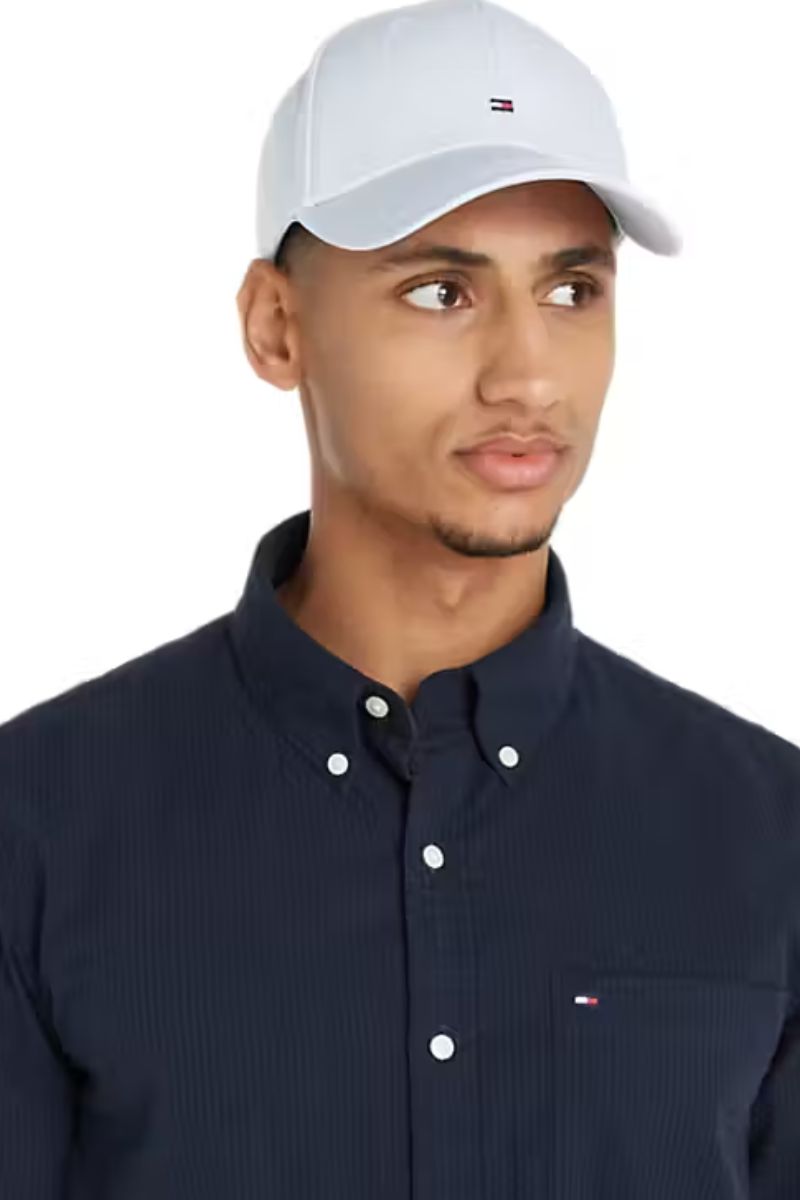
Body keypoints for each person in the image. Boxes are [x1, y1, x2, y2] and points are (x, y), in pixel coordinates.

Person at [2, 1, 799, 1197]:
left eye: (570, 290)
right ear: (277, 327)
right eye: (439, 291)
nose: (527, 376)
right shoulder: (39, 824)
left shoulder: (766, 834)